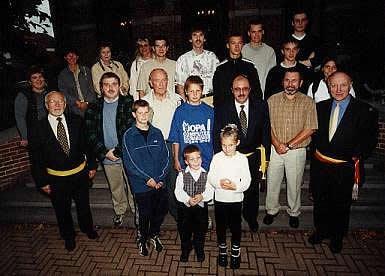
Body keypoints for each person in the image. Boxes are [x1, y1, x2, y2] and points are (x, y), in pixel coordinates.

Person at [309, 71, 378, 253]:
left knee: (341, 205)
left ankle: (337, 237)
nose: (338, 89)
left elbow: (371, 139)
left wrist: (357, 154)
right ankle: (321, 231)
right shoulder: (319, 107)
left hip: (345, 167)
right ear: (328, 85)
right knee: (321, 202)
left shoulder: (364, 110)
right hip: (322, 166)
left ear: (351, 85)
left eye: (343, 85)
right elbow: (314, 136)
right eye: (334, 85)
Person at [28, 91, 98, 251]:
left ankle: (88, 228)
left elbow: (86, 144)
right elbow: (35, 158)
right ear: (47, 106)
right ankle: (68, 236)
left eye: (60, 101)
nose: (57, 104)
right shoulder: (38, 128)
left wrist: (92, 165)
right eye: (53, 102)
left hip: (80, 174)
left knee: (83, 205)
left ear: (65, 104)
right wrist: (42, 181)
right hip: (56, 179)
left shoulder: (77, 121)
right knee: (62, 210)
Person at [214, 74, 271, 233]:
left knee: (252, 191)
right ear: (232, 90)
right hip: (231, 158)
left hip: (253, 157)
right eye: (237, 89)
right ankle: (233, 219)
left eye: (245, 89)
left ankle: (251, 218)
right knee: (232, 190)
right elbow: (216, 135)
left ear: (250, 89)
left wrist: (265, 160)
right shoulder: (222, 108)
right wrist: (220, 159)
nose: (241, 93)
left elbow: (266, 133)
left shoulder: (260, 106)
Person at [263, 68, 318, 228]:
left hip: (296, 150)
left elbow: (311, 128)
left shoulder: (308, 102)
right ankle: (271, 210)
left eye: (294, 80)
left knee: (294, 183)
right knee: (272, 182)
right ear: (283, 82)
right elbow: (267, 126)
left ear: (300, 83)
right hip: (275, 149)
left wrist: (288, 145)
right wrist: (276, 143)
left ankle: (294, 212)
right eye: (287, 80)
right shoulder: (272, 100)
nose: (290, 84)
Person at [85, 72, 135, 227]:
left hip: (127, 154)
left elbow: (132, 129)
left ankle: (136, 209)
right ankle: (120, 211)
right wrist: (104, 152)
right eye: (106, 84)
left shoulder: (129, 102)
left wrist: (118, 151)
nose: (110, 87)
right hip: (106, 155)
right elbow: (90, 132)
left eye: (114, 84)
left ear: (119, 86)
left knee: (132, 184)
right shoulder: (93, 106)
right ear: (101, 88)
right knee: (115, 186)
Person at [122, 99, 170, 257]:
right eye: (140, 113)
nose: (143, 116)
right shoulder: (129, 135)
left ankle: (153, 234)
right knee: (145, 214)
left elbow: (166, 157)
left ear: (149, 113)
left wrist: (161, 177)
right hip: (142, 184)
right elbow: (130, 163)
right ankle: (142, 238)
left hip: (159, 182)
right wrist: (147, 179)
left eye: (146, 112)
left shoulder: (157, 132)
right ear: (134, 114)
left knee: (161, 210)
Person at [208, 124, 251, 269]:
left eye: (230, 145)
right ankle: (222, 251)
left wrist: (236, 187)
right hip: (220, 199)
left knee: (235, 226)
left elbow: (247, 180)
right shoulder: (217, 158)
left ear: (237, 143)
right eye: (224, 145)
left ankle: (235, 252)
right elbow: (211, 176)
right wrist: (218, 183)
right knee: (220, 226)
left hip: (236, 199)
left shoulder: (242, 159)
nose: (227, 148)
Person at [142, 68, 182, 219]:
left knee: (173, 181)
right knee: (158, 182)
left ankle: (177, 214)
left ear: (168, 81)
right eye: (157, 80)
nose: (161, 83)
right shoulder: (144, 102)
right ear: (151, 83)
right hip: (154, 147)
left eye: (164, 80)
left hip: (173, 145)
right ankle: (158, 215)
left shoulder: (177, 99)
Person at [174, 145, 214, 262]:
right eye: (192, 159)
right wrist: (187, 199)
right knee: (185, 232)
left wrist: (202, 196)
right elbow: (178, 191)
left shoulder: (206, 174)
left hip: (201, 210)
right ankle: (185, 249)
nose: (196, 161)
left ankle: (199, 249)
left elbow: (210, 190)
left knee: (200, 231)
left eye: (198, 158)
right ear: (186, 161)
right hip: (185, 210)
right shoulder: (182, 175)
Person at [168, 75, 214, 172]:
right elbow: (175, 140)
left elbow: (215, 137)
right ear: (186, 92)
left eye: (198, 91)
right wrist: (176, 159)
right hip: (187, 163)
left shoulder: (209, 111)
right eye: (191, 91)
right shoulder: (180, 112)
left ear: (202, 91)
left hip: (207, 161)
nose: (195, 94)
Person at [212, 33, 262, 107]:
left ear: (242, 45)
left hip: (247, 109)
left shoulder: (250, 66)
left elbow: (257, 93)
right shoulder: (220, 68)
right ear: (228, 45)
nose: (236, 46)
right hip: (227, 110)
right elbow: (218, 97)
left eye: (239, 43)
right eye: (233, 43)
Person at [175, 27, 219, 103]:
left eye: (201, 35)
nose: (198, 38)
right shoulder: (183, 59)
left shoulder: (212, 57)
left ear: (204, 39)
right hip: (191, 101)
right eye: (194, 35)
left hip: (210, 99)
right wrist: (186, 104)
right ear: (190, 39)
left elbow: (219, 81)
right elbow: (180, 86)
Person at [14, 66, 49, 147]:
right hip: (35, 134)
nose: (38, 80)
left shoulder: (51, 92)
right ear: (30, 82)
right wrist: (25, 137)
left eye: (40, 77)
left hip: (52, 131)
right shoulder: (23, 96)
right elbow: (20, 117)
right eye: (34, 78)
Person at [241, 18, 276, 96]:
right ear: (249, 33)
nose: (256, 35)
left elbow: (271, 75)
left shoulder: (270, 51)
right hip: (246, 94)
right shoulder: (242, 50)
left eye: (259, 31)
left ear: (263, 32)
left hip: (264, 94)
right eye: (253, 32)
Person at [58, 48, 96, 117]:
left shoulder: (86, 70)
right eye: (69, 56)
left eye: (74, 55)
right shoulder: (62, 75)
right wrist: (76, 102)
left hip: (90, 105)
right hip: (73, 107)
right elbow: (63, 92)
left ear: (77, 57)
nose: (72, 57)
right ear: (65, 58)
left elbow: (92, 87)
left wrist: (86, 103)